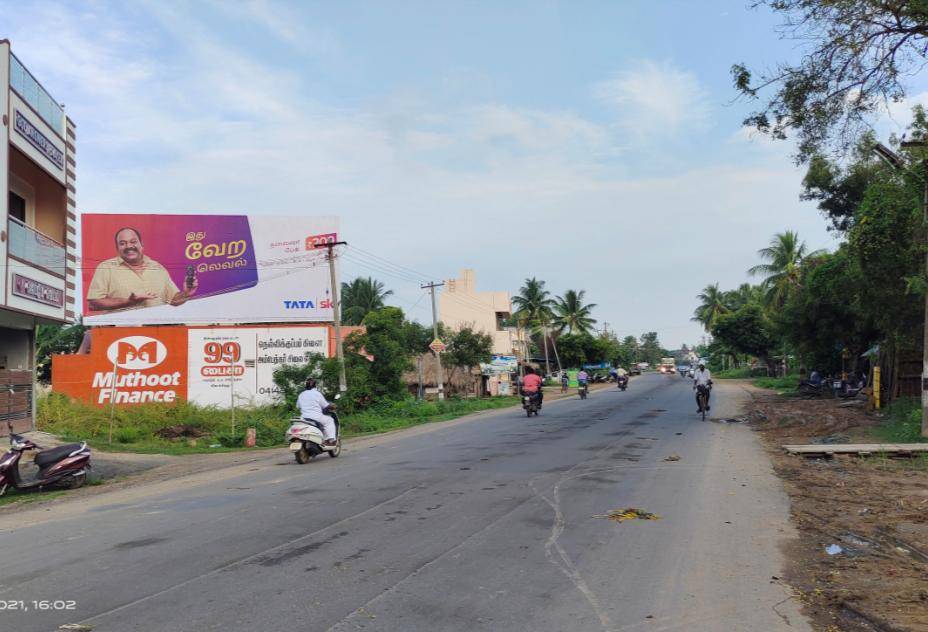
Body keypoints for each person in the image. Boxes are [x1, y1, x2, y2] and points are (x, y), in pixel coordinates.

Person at [86, 227, 197, 312]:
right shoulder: (106, 267)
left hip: (157, 331)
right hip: (119, 332)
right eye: (122, 243)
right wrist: (129, 302)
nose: (129, 246)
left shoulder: (157, 267)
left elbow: (173, 300)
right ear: (117, 248)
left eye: (133, 242)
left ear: (141, 244)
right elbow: (93, 304)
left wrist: (186, 293)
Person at [297, 378, 337, 446]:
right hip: (316, 417)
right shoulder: (317, 393)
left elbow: (298, 406)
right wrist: (333, 406)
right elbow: (325, 405)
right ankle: (331, 440)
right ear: (315, 385)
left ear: (306, 386)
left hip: (304, 418)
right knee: (329, 420)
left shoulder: (301, 394)